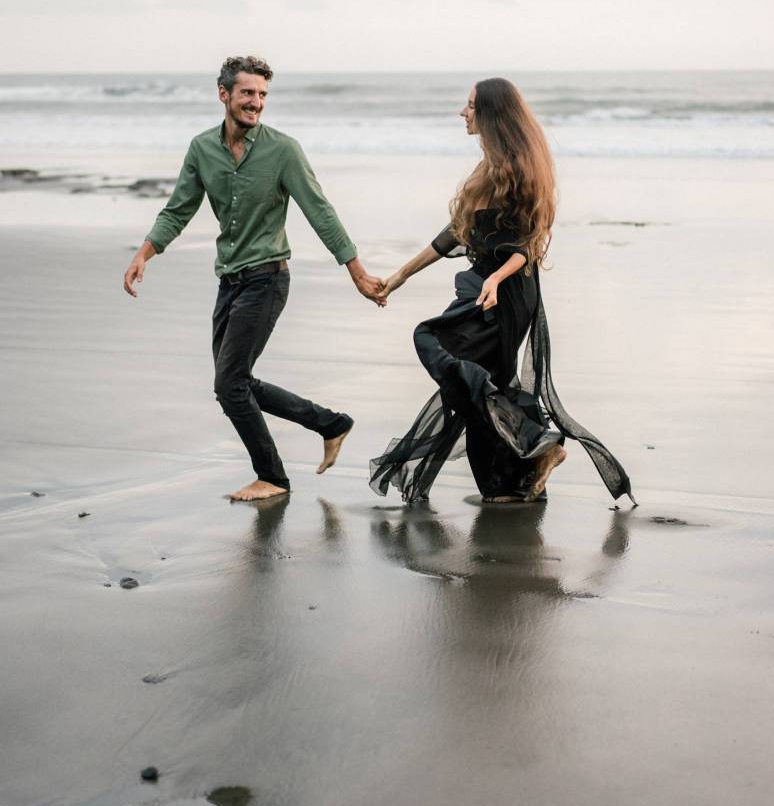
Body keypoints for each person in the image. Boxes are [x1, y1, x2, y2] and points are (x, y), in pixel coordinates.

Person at [123, 55, 385, 502]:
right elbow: (179, 208)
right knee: (235, 384)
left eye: (262, 94)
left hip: (268, 279)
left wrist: (356, 272)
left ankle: (274, 478)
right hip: (229, 282)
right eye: (247, 93)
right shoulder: (202, 149)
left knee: (230, 384)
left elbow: (320, 211)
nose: (256, 102)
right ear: (224, 94)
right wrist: (145, 252)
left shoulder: (283, 151)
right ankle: (330, 423)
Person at [371, 77, 633, 507]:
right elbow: (455, 234)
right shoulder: (490, 165)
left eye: (471, 105)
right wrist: (401, 275)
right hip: (485, 286)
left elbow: (526, 244)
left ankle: (538, 445)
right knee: (479, 383)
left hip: (505, 293)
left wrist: (494, 279)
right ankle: (513, 480)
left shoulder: (516, 167)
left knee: (437, 345)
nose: (463, 112)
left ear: (491, 114)